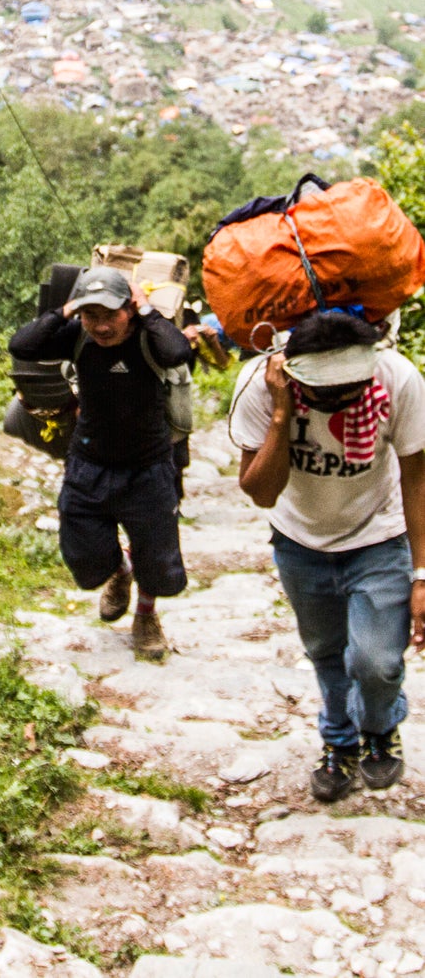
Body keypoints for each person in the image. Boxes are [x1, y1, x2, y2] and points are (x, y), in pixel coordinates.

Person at [231, 309, 425, 803]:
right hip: (300, 541)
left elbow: (416, 477)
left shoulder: (397, 378)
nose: (339, 401)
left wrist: (422, 575)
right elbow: (260, 491)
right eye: (325, 392)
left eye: (350, 390)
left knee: (376, 662)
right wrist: (282, 412)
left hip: (379, 537)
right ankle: (339, 742)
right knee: (326, 652)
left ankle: (379, 727)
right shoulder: (260, 384)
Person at [9, 265, 194, 660]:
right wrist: (71, 306)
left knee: (156, 557)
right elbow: (22, 345)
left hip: (148, 468)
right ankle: (120, 572)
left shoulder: (150, 338)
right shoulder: (77, 336)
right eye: (92, 316)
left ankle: (146, 617)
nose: (101, 326)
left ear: (129, 309)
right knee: (84, 555)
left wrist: (146, 310)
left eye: (111, 314)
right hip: (90, 464)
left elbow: (179, 352)